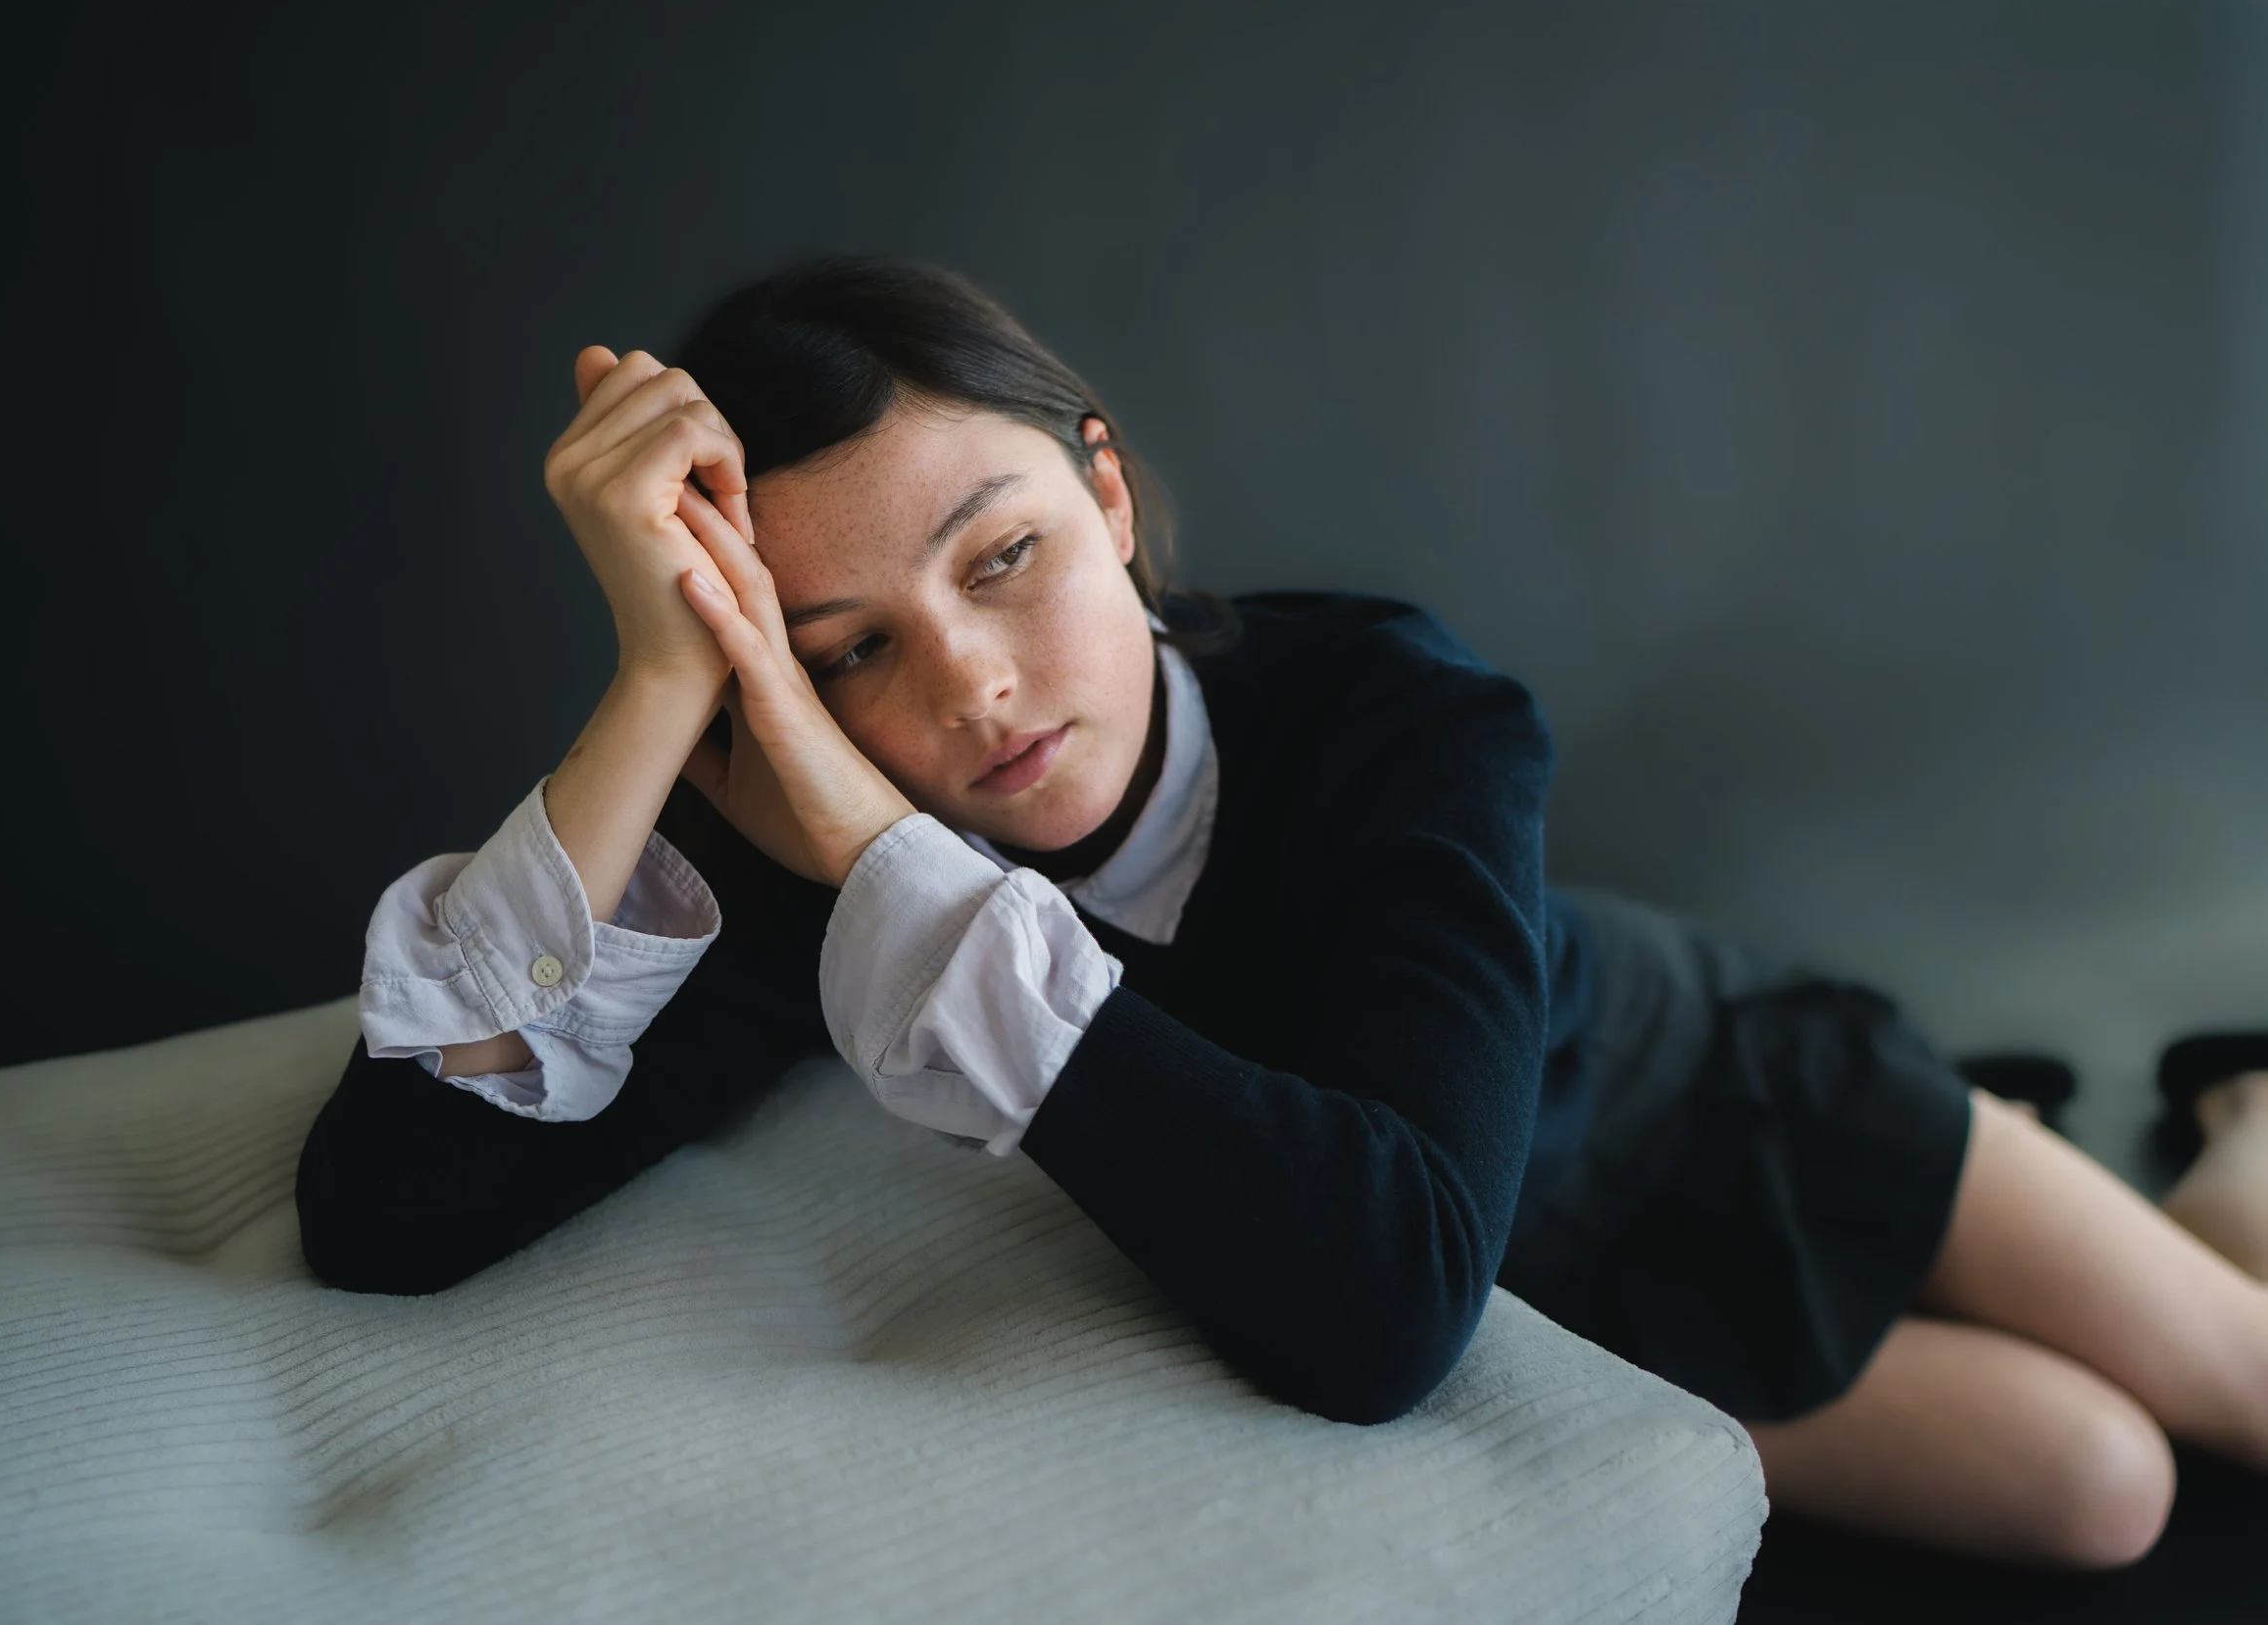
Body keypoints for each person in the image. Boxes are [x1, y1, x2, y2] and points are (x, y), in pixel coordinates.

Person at [296, 256, 2268, 1570]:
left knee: (2237, 1375)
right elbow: (385, 1217)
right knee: (2097, 1490)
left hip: (1690, 1079)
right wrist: (655, 690)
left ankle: (2230, 1122)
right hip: (1501, 1273)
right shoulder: (813, 850)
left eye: (1005, 559)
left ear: (1106, 495)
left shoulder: (1398, 707)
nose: (971, 686)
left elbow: (1382, 1234)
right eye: (844, 652)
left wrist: (847, 810)